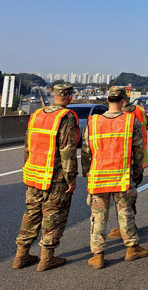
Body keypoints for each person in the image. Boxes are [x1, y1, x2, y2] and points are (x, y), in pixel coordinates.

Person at [82, 86, 148, 269]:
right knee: (125, 213)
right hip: (122, 176)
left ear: (107, 101)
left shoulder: (93, 122)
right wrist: (136, 170)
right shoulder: (130, 121)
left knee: (98, 217)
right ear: (123, 100)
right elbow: (138, 150)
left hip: (98, 177)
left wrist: (87, 172)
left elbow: (86, 151)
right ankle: (131, 249)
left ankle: (98, 256)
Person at [13, 84, 79, 272]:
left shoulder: (37, 115)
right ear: (69, 97)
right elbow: (67, 150)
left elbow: (27, 145)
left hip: (34, 174)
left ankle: (20, 256)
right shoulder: (64, 117)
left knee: (31, 214)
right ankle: (46, 259)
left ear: (53, 95)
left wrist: (27, 168)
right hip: (54, 178)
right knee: (53, 217)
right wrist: (71, 178)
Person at [107, 93, 148, 240]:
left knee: (124, 199)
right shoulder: (140, 110)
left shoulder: (125, 117)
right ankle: (127, 226)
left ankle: (126, 227)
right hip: (139, 160)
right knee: (130, 197)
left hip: (125, 161)